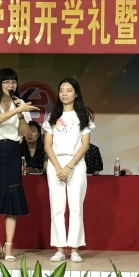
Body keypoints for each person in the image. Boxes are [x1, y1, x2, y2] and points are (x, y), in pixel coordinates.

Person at [0, 68, 38, 262]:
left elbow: (25, 132)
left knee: (12, 198)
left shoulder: (19, 104)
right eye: (7, 81)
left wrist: (21, 114)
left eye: (13, 82)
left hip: (12, 150)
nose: (11, 85)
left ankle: (8, 246)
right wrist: (18, 109)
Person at [43, 78, 94, 263]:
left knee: (75, 207)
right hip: (55, 163)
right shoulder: (52, 117)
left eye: (69, 90)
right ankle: (59, 249)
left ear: (76, 93)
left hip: (76, 164)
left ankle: (74, 249)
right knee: (56, 207)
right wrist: (58, 167)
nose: (64, 94)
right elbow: (47, 145)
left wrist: (70, 166)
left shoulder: (83, 117)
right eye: (61, 90)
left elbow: (85, 145)